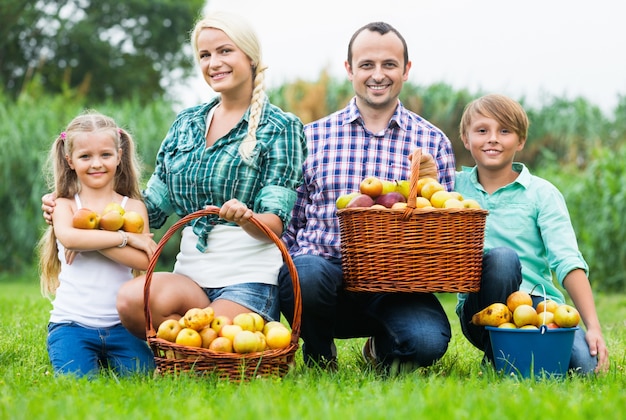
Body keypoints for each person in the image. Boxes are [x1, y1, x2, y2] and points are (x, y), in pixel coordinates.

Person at [43, 11, 306, 339]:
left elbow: (275, 225)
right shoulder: (187, 124)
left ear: (251, 56)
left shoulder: (281, 128)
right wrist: (75, 212)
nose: (214, 63)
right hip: (190, 278)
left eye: (225, 51)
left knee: (212, 344)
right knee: (130, 299)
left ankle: (248, 340)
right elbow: (148, 209)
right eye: (205, 55)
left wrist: (246, 217)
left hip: (247, 280)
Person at [278, 21, 455, 374]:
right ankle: (318, 348)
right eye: (366, 65)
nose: (378, 75)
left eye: (389, 65)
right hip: (323, 276)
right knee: (307, 272)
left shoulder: (432, 143)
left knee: (426, 341)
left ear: (406, 70)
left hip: (398, 285)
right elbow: (290, 226)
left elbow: (444, 229)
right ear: (349, 70)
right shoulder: (310, 137)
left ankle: (380, 348)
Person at [454, 93, 609, 374]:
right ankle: (498, 359)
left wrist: (593, 326)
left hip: (539, 304)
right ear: (466, 139)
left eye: (504, 131)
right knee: (502, 261)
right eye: (481, 130)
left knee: (583, 367)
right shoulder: (453, 188)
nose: (492, 138)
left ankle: (513, 356)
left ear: (521, 140)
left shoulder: (542, 193)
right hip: (482, 309)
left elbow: (567, 260)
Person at [38, 111, 157, 378]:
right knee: (77, 381)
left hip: (122, 327)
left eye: (105, 155)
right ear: (70, 160)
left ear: (119, 156)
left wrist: (90, 240)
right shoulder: (64, 205)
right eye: (85, 157)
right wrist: (125, 238)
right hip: (71, 326)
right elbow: (69, 239)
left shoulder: (133, 207)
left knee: (142, 378)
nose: (96, 164)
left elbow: (146, 261)